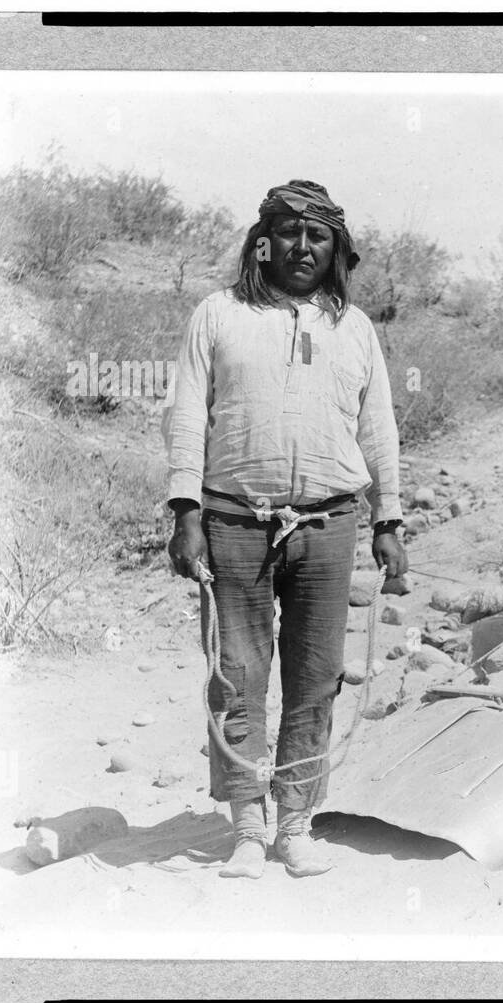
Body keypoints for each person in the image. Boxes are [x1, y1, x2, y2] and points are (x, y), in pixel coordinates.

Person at [162, 180, 406, 879]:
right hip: (233, 520)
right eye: (289, 232)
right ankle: (245, 826)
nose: (303, 246)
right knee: (236, 674)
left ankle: (295, 822)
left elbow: (379, 429)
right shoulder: (217, 315)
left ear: (337, 250)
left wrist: (388, 519)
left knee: (315, 676)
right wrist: (186, 512)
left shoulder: (353, 329)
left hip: (330, 523)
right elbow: (185, 417)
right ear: (263, 241)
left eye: (318, 235)